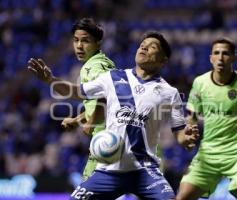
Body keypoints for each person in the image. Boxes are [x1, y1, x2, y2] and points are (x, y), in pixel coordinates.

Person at [28, 31, 199, 200]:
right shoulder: (113, 77)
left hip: (145, 170)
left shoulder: (170, 93)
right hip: (108, 170)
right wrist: (51, 80)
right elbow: (76, 91)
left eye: (152, 47)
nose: (144, 48)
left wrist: (188, 138)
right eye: (142, 45)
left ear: (163, 60)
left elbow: (180, 134)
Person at [176, 38, 237, 200]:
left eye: (225, 53)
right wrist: (190, 130)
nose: (220, 58)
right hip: (208, 153)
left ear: (234, 57)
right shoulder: (200, 83)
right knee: (183, 196)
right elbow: (191, 115)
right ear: (210, 58)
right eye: (216, 53)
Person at [60, 17, 115, 180]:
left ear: (98, 43)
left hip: (105, 140)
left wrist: (90, 123)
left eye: (85, 41)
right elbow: (101, 101)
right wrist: (78, 120)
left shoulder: (92, 67)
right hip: (117, 137)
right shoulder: (107, 63)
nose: (79, 46)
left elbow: (105, 95)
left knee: (87, 191)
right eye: (76, 40)